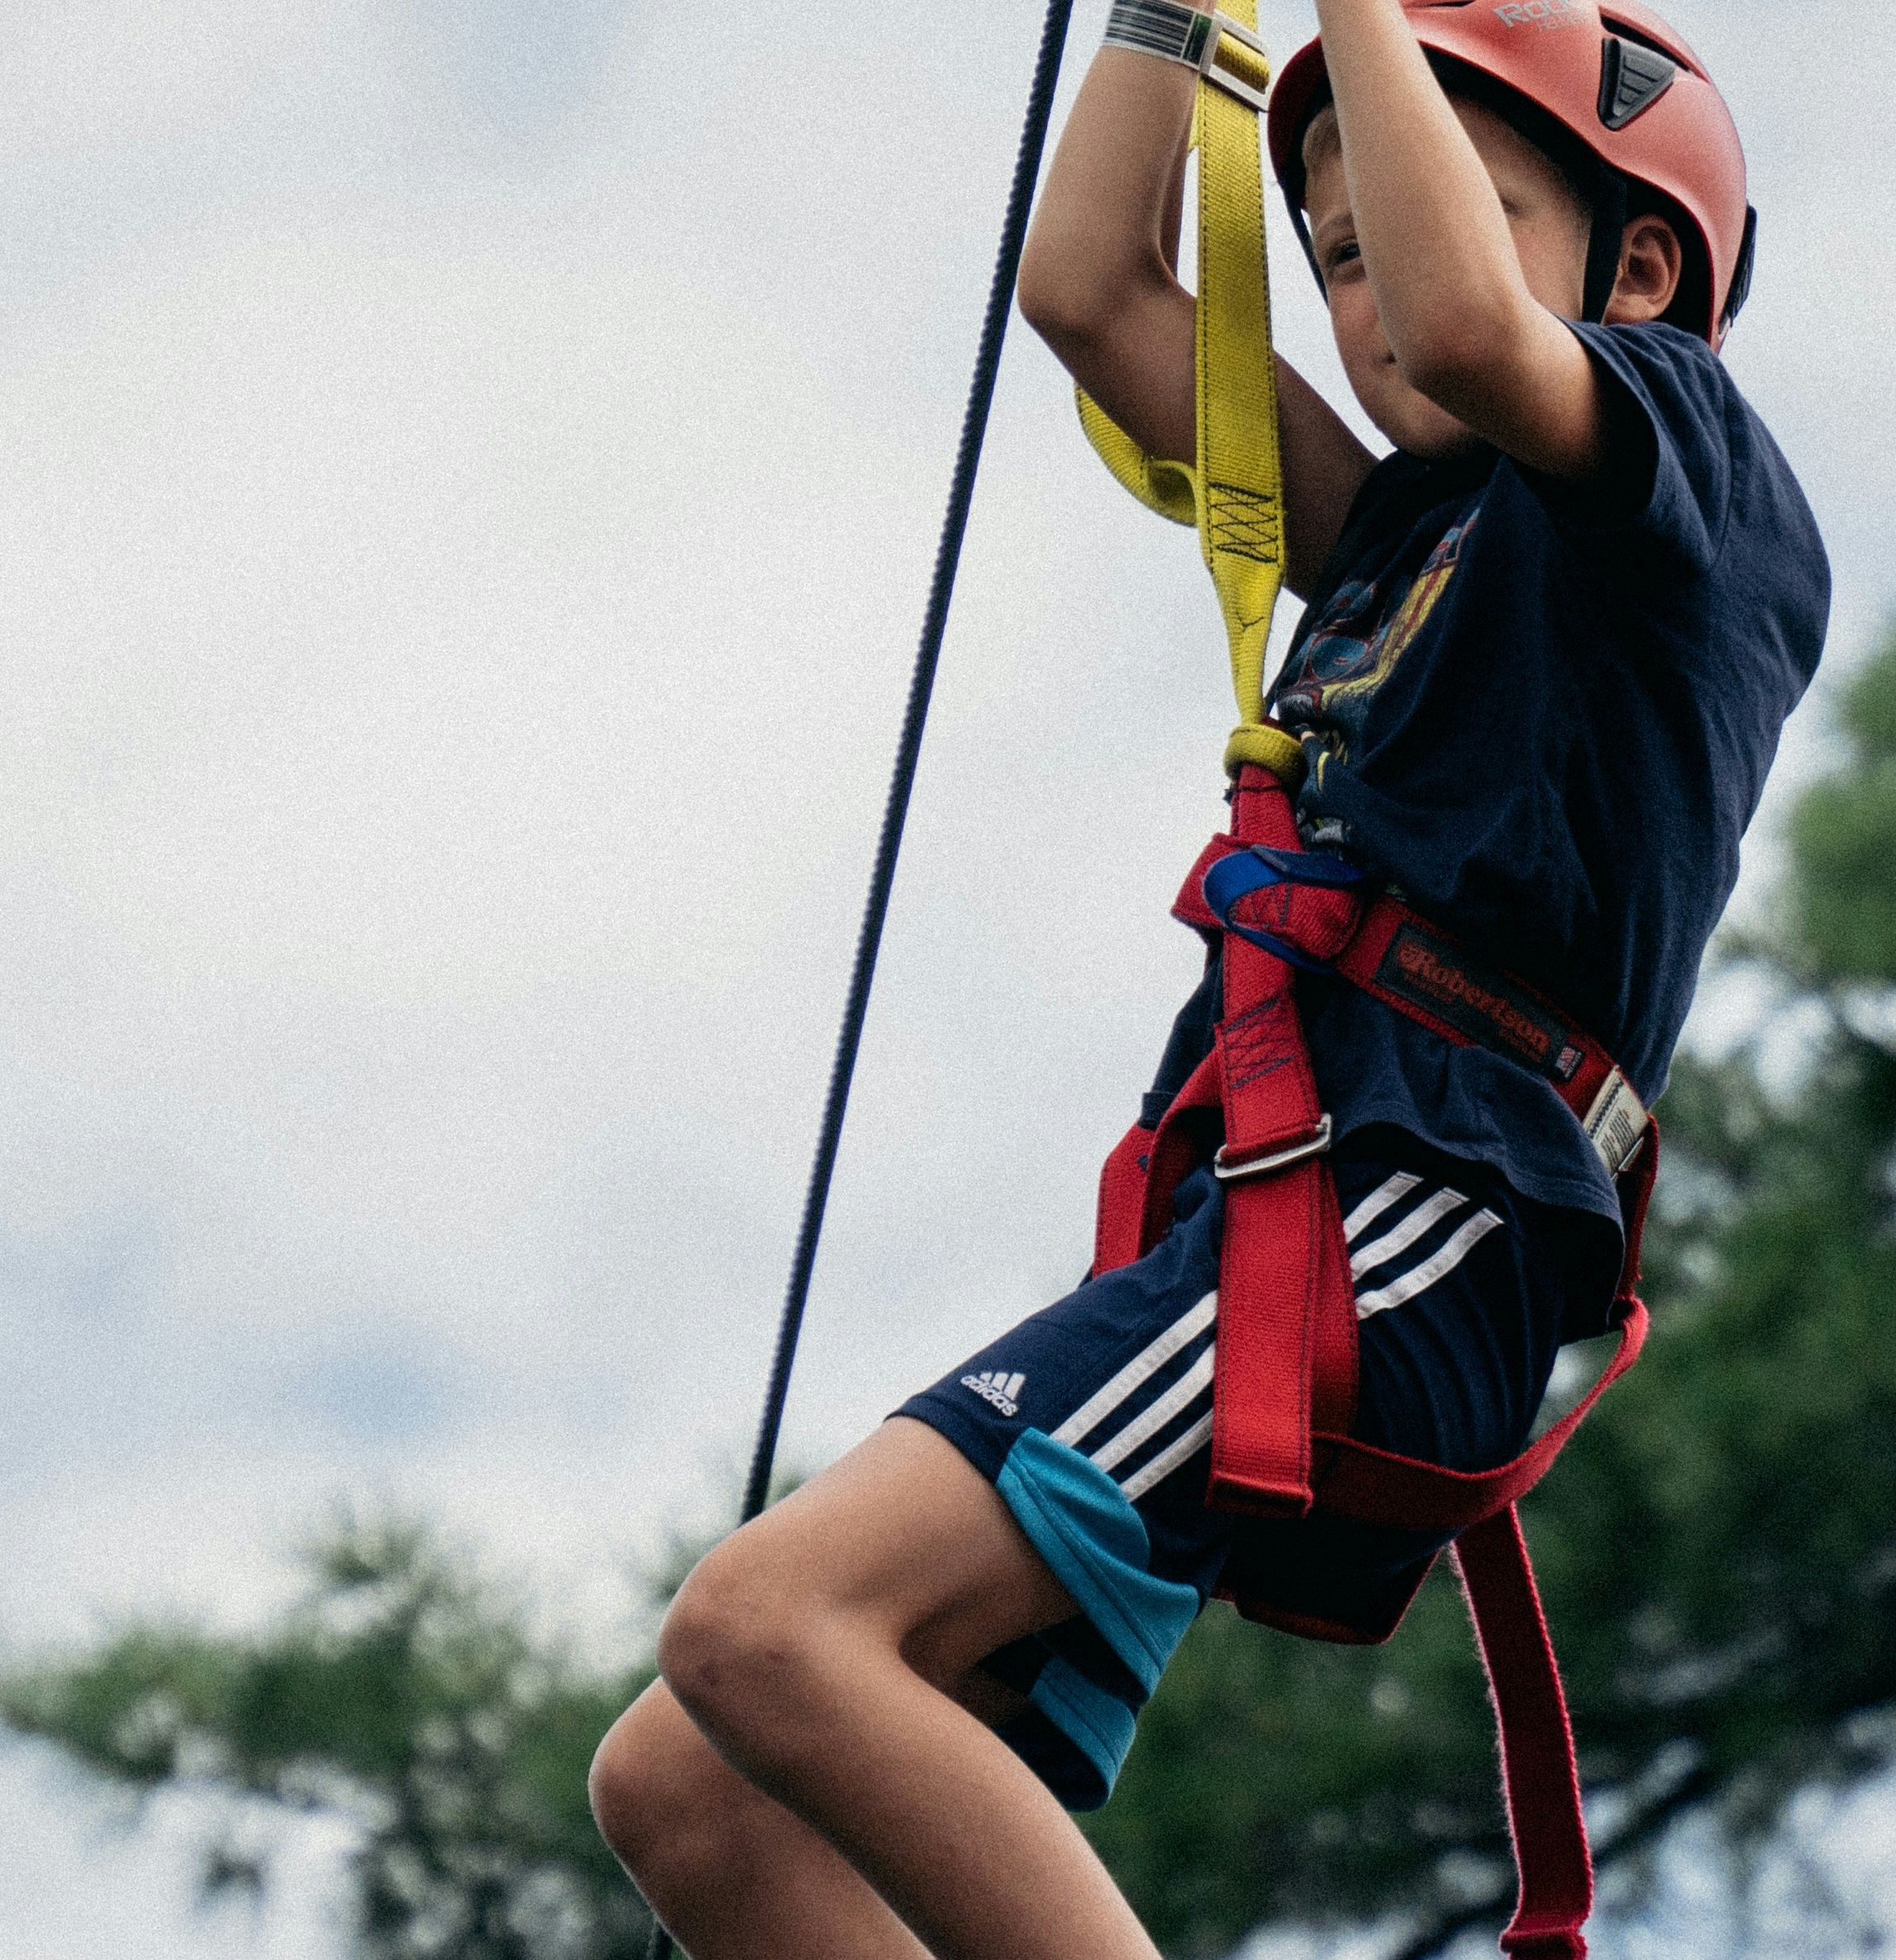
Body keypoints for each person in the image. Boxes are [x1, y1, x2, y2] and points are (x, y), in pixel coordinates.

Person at [585, 3, 1823, 1953]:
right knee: (682, 1780)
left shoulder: (1693, 480)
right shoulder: (1400, 538)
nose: (1373, 295)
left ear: (1644, 266)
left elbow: (1492, 331)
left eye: (1429, 217)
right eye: (1333, 261)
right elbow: (1090, 290)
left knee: (773, 1622)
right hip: (1266, 1220)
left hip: (1421, 1208)